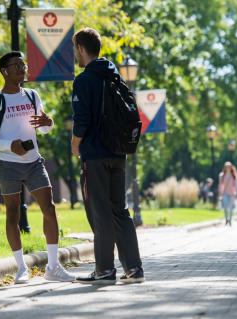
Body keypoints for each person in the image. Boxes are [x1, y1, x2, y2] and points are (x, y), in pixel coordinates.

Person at [0, 51, 75, 284]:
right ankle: (21, 268)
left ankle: (53, 267)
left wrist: (48, 123)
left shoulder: (32, 96)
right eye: (17, 65)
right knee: (13, 214)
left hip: (33, 161)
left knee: (49, 208)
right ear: (5, 71)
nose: (23, 68)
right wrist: (9, 146)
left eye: (23, 64)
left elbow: (42, 128)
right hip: (8, 164)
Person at [71, 27, 144, 284]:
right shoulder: (115, 78)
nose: (75, 55)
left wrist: (75, 142)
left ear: (81, 47)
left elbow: (82, 119)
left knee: (100, 211)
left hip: (96, 155)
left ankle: (104, 269)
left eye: (75, 49)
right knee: (119, 210)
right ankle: (134, 269)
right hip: (118, 152)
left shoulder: (83, 80)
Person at [218, 162, 237, 226]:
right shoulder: (222, 175)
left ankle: (230, 219)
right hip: (224, 193)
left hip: (232, 193)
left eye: (229, 166)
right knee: (225, 207)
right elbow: (220, 185)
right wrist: (220, 193)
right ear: (225, 167)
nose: (228, 168)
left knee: (231, 207)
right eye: (226, 166)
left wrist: (236, 191)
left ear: (231, 167)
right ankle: (226, 219)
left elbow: (236, 184)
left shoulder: (233, 175)